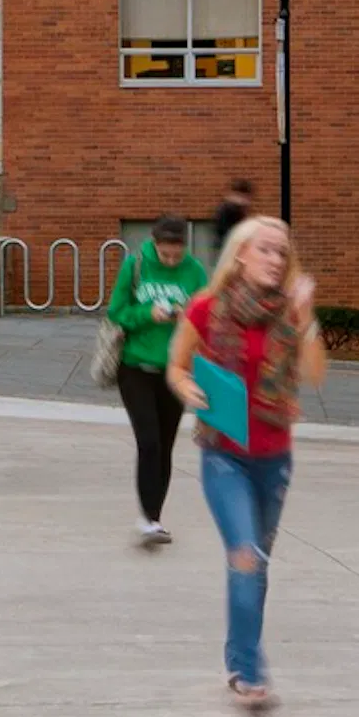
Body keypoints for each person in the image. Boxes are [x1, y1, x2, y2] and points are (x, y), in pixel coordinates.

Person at [168, 212, 325, 710]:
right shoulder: (206, 306)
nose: (276, 259)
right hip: (224, 456)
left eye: (282, 252)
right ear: (240, 255)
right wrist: (187, 388)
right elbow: (176, 365)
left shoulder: (290, 312)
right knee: (244, 555)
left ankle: (240, 656)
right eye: (265, 249)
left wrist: (307, 316)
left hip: (274, 458)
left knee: (256, 563)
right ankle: (248, 670)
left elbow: (316, 374)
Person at [106, 216, 209, 544]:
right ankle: (149, 518)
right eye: (165, 255)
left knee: (165, 446)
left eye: (177, 255)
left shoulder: (195, 271)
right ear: (154, 244)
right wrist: (146, 313)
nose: (171, 261)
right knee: (148, 441)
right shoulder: (135, 265)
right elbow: (116, 311)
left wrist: (186, 314)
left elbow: (207, 316)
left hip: (175, 371)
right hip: (135, 366)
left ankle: (154, 518)